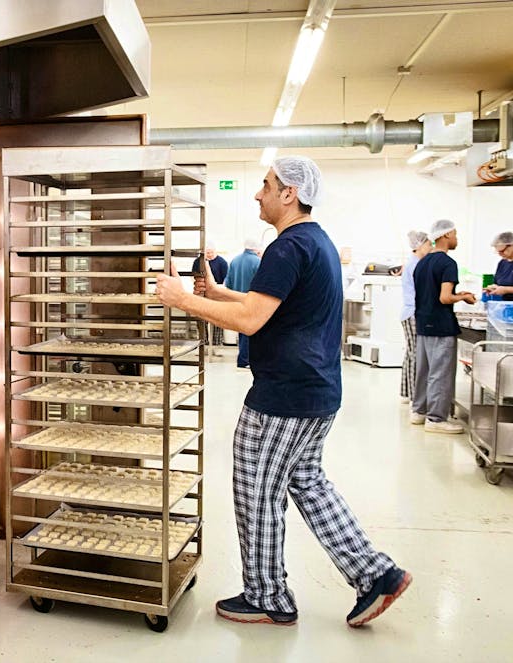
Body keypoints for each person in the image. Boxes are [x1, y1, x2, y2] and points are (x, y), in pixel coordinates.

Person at [156, 156, 410, 628]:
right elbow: (263, 305)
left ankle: (268, 596)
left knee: (256, 490)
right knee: (307, 483)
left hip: (284, 397)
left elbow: (251, 321)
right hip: (315, 391)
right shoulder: (314, 242)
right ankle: (376, 574)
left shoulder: (288, 247)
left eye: (266, 185)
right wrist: (214, 292)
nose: (258, 193)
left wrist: (183, 300)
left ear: (289, 193)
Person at [410, 219, 476, 434]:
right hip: (441, 325)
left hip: (423, 323)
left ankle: (419, 411)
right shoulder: (448, 263)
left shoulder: (422, 263)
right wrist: (464, 296)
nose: (457, 238)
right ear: (446, 235)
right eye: (456, 234)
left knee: (424, 370)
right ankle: (436, 419)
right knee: (440, 373)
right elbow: (445, 298)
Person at [399, 231, 432, 404]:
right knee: (416, 355)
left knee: (410, 353)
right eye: (428, 244)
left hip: (408, 312)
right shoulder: (416, 265)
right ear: (419, 245)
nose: (431, 247)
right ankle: (415, 397)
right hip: (413, 313)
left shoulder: (413, 263)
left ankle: (406, 392)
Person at [225, 238, 262, 371]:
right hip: (253, 301)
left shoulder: (235, 261)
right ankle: (245, 360)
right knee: (251, 331)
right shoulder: (258, 262)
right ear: (256, 248)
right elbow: (263, 284)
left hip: (236, 301)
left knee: (242, 331)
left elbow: (227, 283)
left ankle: (243, 358)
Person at [192, 243, 229, 355]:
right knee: (201, 320)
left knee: (217, 320)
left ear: (215, 252)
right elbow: (193, 275)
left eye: (211, 252)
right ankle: (203, 345)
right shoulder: (198, 261)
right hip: (201, 292)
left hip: (217, 293)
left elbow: (225, 279)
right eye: (207, 252)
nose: (209, 254)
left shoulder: (222, 262)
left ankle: (216, 346)